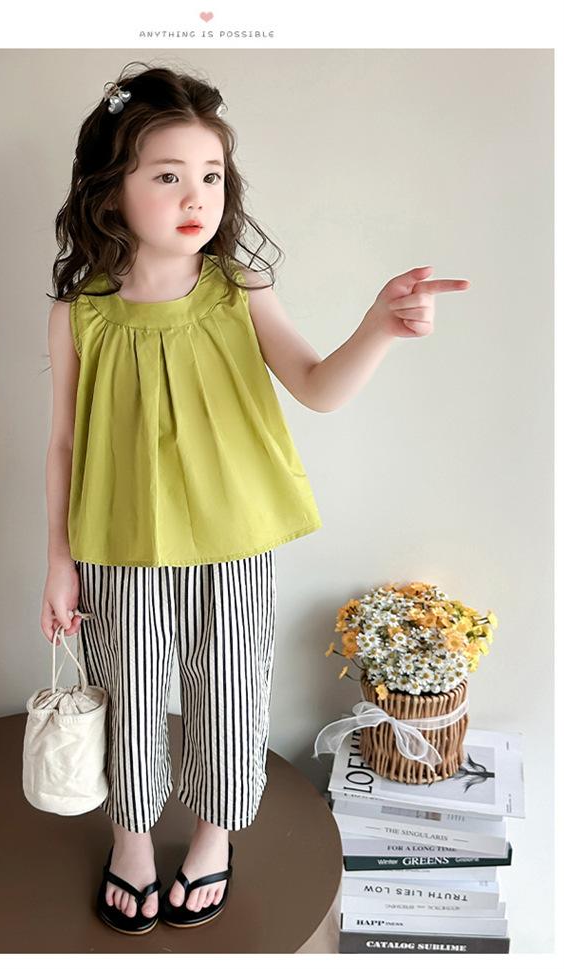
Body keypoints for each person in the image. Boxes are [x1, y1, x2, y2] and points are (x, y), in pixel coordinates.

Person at [40, 61, 470, 935]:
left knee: (228, 689)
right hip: (119, 540)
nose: (195, 196)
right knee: (128, 689)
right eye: (168, 175)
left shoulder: (238, 291)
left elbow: (315, 384)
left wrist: (378, 327)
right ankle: (130, 837)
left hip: (236, 537)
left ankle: (212, 838)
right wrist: (56, 561)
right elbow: (65, 443)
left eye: (210, 175)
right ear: (111, 191)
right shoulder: (81, 312)